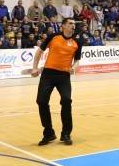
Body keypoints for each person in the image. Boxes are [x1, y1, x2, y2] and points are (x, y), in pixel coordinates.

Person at [31, 17, 81, 146]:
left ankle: (66, 133)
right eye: (70, 23)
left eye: (74, 24)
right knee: (41, 101)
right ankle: (48, 133)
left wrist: (74, 68)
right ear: (63, 25)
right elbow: (39, 52)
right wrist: (35, 68)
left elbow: (77, 60)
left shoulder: (77, 42)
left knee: (66, 100)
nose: (73, 25)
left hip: (63, 76)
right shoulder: (53, 37)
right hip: (48, 74)